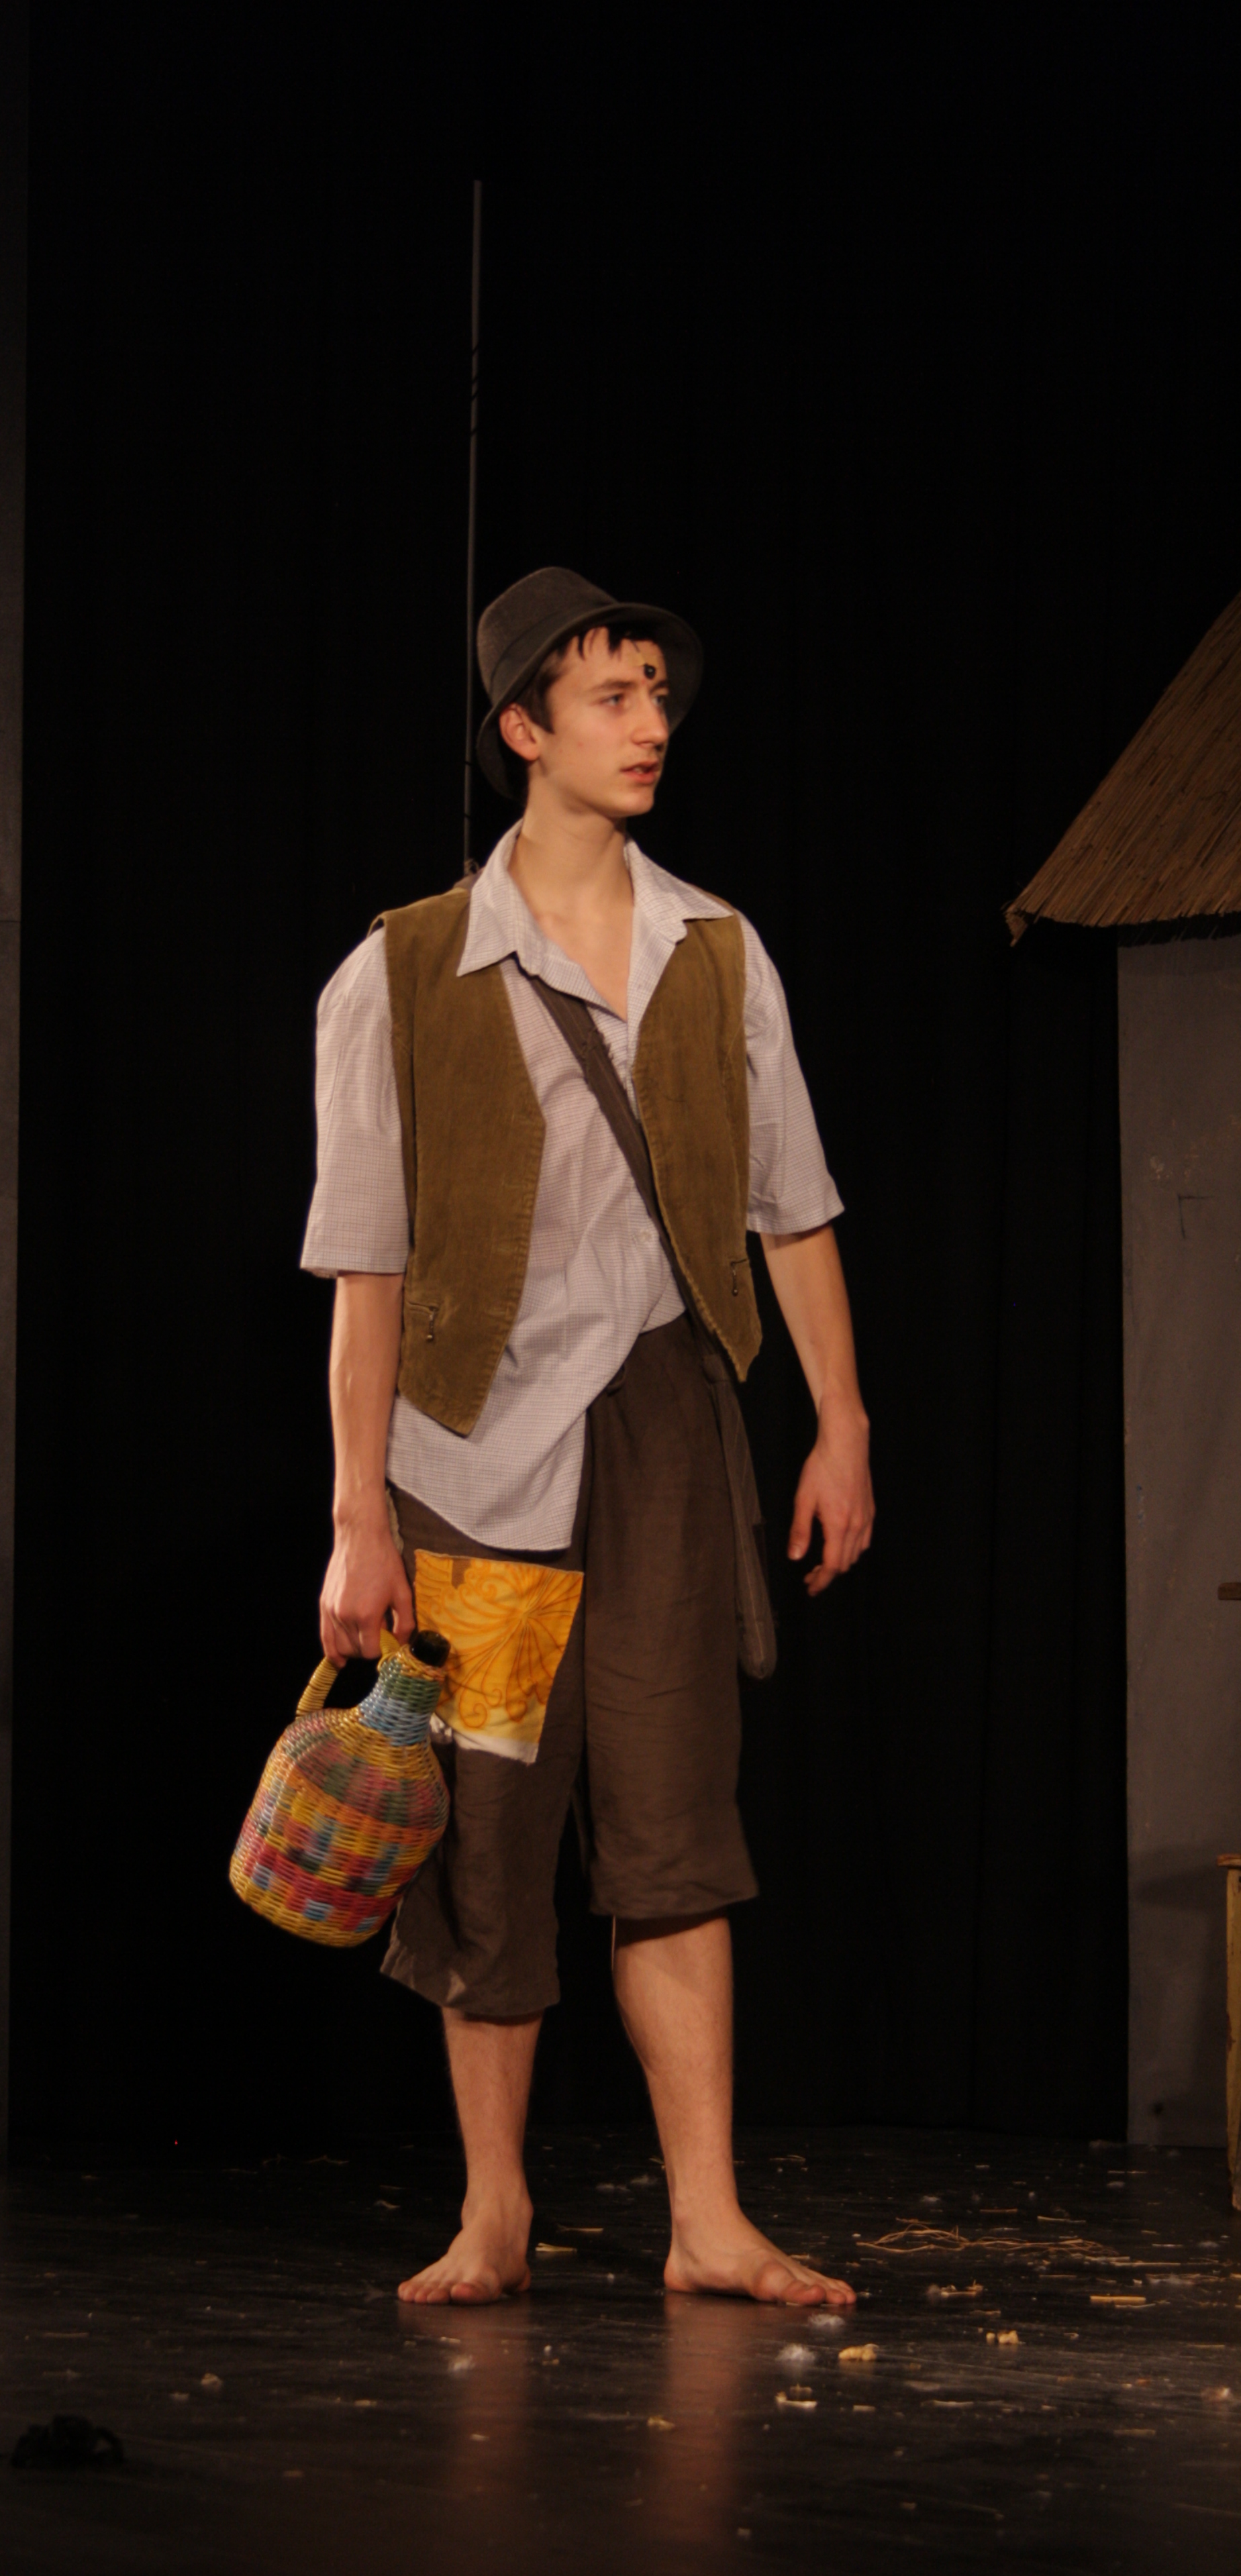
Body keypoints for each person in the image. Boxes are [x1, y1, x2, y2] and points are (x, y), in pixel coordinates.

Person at [300, 567, 875, 2308]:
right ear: (524, 730)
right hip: (472, 1452)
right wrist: (358, 1516)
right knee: (485, 1839)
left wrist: (842, 1422)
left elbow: (794, 1209)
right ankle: (496, 2211)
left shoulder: (718, 951)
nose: (651, 725)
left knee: (677, 1826)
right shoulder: (401, 970)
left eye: (658, 695)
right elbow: (367, 1268)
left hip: (665, 1433)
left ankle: (708, 2220)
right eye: (612, 697)